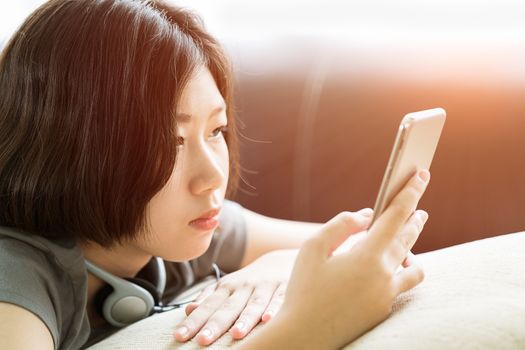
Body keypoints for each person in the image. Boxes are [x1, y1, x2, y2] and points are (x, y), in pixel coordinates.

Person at [0, 0, 430, 349]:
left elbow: (368, 248)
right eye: (171, 143)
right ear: (71, 147)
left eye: (217, 130)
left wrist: (277, 263)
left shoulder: (184, 228)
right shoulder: (14, 273)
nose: (210, 178)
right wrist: (311, 329)